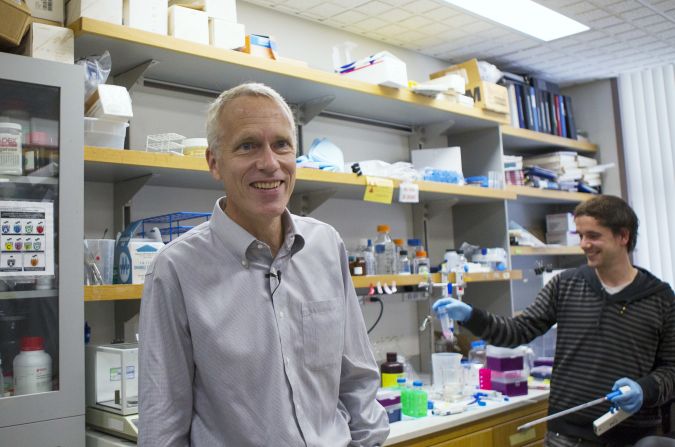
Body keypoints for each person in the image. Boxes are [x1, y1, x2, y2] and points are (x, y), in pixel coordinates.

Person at [139, 83, 389, 446]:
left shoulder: (325, 246)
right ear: (214, 162)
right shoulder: (176, 269)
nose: (270, 163)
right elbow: (162, 423)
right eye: (247, 145)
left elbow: (357, 380)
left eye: (282, 144)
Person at [433, 195, 674, 446]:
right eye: (580, 235)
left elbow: (672, 369)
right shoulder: (565, 285)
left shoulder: (660, 298)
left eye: (593, 235)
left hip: (632, 438)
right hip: (566, 437)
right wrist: (472, 316)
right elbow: (518, 331)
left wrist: (644, 390)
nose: (583, 244)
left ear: (623, 236)